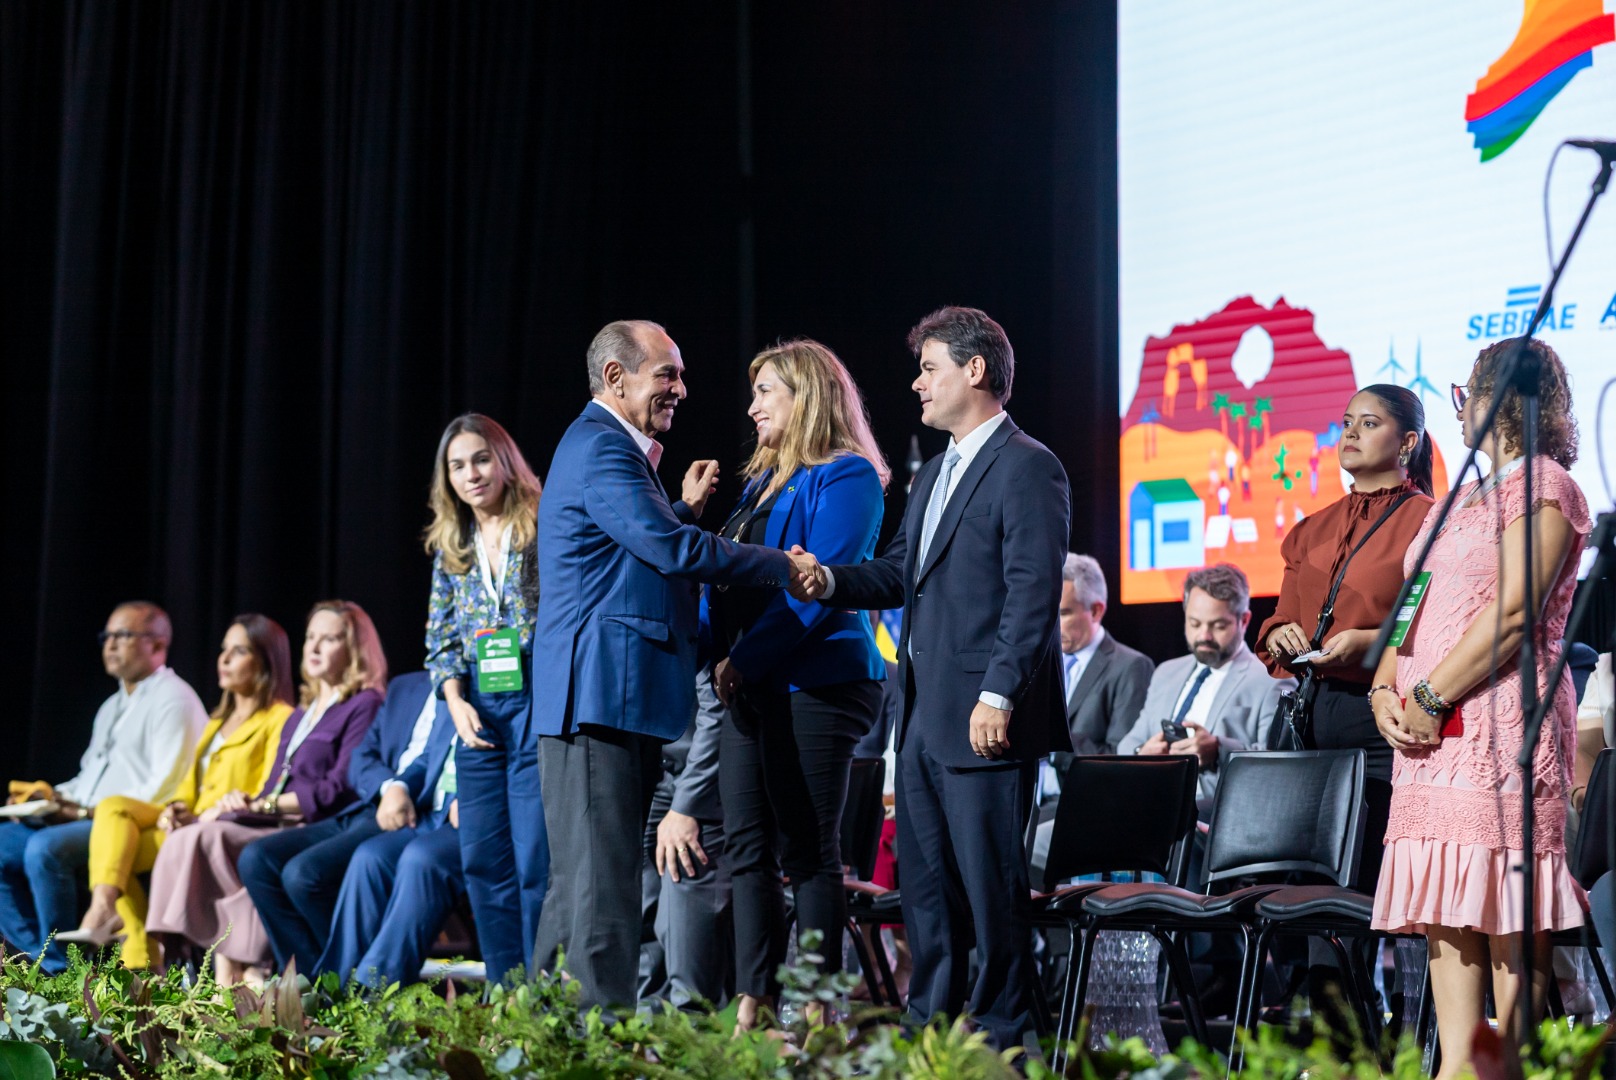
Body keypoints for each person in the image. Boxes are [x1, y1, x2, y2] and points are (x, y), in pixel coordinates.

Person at [793, 306, 1071, 1053]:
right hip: (917, 718)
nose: (917, 384)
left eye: (930, 368)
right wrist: (828, 580)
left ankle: (1005, 1035)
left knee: (990, 889)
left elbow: (1032, 592)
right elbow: (897, 572)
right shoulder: (936, 474)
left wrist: (999, 693)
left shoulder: (1027, 465)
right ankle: (931, 1033)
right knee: (926, 893)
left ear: (974, 371)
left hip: (985, 715)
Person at [530, 319, 807, 1012]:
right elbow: (673, 552)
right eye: (667, 374)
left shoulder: (613, 452)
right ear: (616, 377)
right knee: (602, 896)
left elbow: (625, 552)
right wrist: (784, 565)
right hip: (598, 699)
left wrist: (681, 507)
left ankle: (542, 1042)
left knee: (584, 889)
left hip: (605, 699)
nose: (681, 388)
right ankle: (598, 1049)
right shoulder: (603, 448)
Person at [1370, 338, 1589, 1079]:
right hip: (1427, 741)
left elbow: (1517, 611)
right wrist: (1384, 690)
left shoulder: (1548, 486)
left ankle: (1503, 1070)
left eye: (1463, 395)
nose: (1455, 412)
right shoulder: (1455, 502)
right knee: (1445, 906)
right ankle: (1455, 1068)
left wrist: (1432, 693)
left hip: (1499, 725)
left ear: (1497, 397)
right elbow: (1408, 611)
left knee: (1506, 912)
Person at [705, 339, 890, 1030]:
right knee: (747, 846)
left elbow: (818, 589)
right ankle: (755, 999)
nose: (752, 408)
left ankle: (817, 1004)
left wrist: (742, 659)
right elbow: (727, 579)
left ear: (806, 396)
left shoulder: (849, 477)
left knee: (810, 850)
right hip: (747, 683)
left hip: (818, 683)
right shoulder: (759, 484)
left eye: (766, 393)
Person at [146, 601, 385, 984]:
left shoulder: (363, 703)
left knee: (217, 839)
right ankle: (199, 959)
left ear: (355, 649)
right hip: (275, 816)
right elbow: (273, 784)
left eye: (330, 639)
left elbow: (341, 786)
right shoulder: (301, 714)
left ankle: (241, 963)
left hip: (317, 823)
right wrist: (240, 803)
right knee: (194, 832)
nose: (315, 648)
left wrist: (263, 804)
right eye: (311, 638)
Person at [1258, 386, 1434, 878]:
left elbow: (1431, 620)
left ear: (1408, 442)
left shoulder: (1429, 521)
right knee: (1305, 884)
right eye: (1347, 421)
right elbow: (1281, 615)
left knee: (1366, 880)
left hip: (1380, 715)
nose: (1351, 432)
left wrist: (1369, 644)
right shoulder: (1311, 528)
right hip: (1308, 713)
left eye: (1370, 423)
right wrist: (1279, 635)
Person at [61, 616, 294, 969]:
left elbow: (267, 787)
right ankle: (108, 913)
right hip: (190, 820)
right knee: (112, 813)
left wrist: (203, 814)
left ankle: (139, 958)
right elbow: (188, 784)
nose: (225, 659)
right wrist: (176, 807)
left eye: (239, 651)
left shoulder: (280, 719)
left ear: (265, 660)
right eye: (223, 650)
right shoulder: (217, 721)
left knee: (115, 854)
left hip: (224, 828)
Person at [0, 602, 207, 972]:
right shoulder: (112, 705)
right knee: (4, 842)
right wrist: (49, 797)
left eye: (123, 635)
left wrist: (82, 813)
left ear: (157, 645)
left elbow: (166, 787)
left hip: (126, 823)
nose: (110, 645)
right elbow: (89, 776)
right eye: (107, 636)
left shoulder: (173, 699)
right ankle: (34, 955)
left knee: (45, 849)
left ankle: (60, 970)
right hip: (86, 814)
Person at [421, 413, 546, 985]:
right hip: (476, 707)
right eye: (457, 465)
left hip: (535, 696)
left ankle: (546, 998)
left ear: (504, 461)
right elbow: (440, 636)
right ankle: (506, 994)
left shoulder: (539, 526)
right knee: (482, 859)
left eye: (480, 459)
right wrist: (453, 698)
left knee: (533, 861)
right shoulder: (452, 545)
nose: (470, 474)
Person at [237, 669, 452, 977]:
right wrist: (389, 787)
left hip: (414, 812)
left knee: (303, 874)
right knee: (257, 859)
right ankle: (306, 981)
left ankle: (337, 982)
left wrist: (402, 793)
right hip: (370, 803)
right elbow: (362, 756)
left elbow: (436, 760)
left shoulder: (461, 685)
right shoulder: (405, 685)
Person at [1118, 565, 1289, 800]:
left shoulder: (1271, 680)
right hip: (1147, 801)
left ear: (1244, 620)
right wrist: (1141, 753)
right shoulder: (1167, 673)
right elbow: (1128, 744)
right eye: (1195, 623)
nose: (1204, 636)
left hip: (1213, 813)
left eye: (1218, 625)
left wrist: (1218, 750)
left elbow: (1278, 764)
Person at [639, 670, 731, 1008]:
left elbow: (717, 704)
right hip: (655, 770)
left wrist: (688, 803)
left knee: (684, 904)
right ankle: (646, 1024)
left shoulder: (700, 618)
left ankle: (692, 1031)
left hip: (704, 776)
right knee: (641, 905)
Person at [1056, 554, 1153, 758]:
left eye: (1063, 614)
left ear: (1096, 611)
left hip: (1081, 788)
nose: (1051, 625)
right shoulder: (1040, 663)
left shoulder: (1131, 667)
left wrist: (1048, 739)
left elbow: (1121, 755)